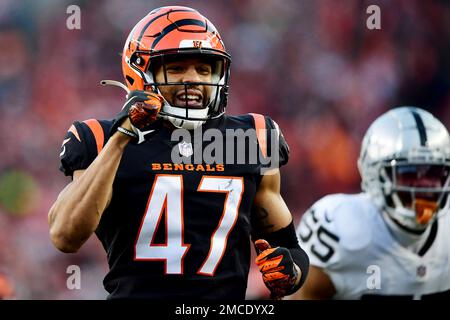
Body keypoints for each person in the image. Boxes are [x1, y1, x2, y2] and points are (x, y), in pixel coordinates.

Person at [48, 6, 308, 300]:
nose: (193, 78)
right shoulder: (100, 137)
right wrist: (122, 137)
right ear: (141, 72)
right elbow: (65, 235)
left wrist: (291, 272)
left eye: (204, 68)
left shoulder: (251, 136)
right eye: (176, 68)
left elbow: (288, 246)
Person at [288, 106, 450, 299]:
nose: (425, 186)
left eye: (434, 173)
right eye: (409, 173)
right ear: (375, 176)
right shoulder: (339, 228)